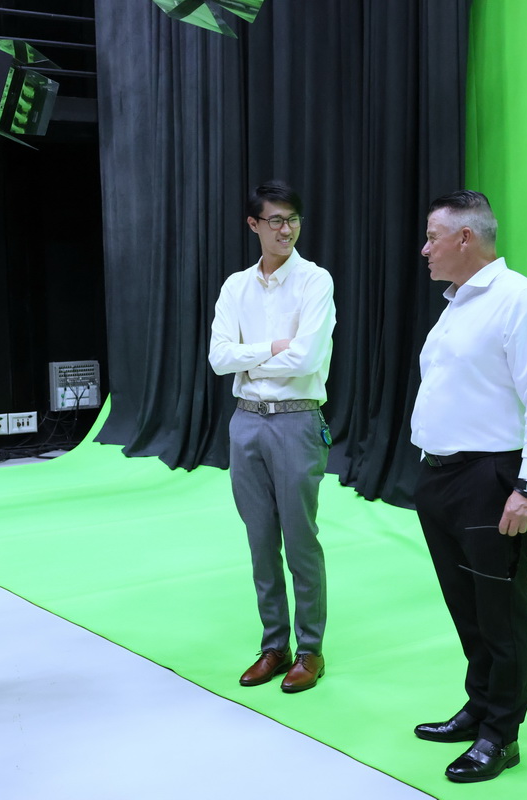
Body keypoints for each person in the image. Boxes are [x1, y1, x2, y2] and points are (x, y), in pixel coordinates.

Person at [410, 191, 527, 783]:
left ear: (465, 238)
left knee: (500, 612)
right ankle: (479, 707)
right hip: (440, 477)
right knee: (467, 606)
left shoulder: (519, 300)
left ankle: (502, 733)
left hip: (490, 479)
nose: (425, 249)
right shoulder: (458, 304)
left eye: (432, 237)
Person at [208, 180, 336, 694]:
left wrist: (251, 356)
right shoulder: (235, 287)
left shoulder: (315, 281)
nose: (286, 230)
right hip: (246, 421)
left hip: (298, 419)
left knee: (301, 541)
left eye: (293, 219)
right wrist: (273, 347)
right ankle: (274, 646)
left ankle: (310, 650)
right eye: (276, 220)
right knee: (260, 541)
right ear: (254, 224)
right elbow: (219, 358)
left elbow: (306, 358)